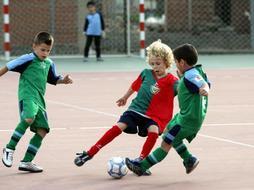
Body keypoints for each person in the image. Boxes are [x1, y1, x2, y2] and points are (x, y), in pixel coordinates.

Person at [74, 40, 178, 176]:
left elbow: (183, 91)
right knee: (119, 126)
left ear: (167, 62)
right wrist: (125, 97)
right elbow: (135, 86)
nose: (155, 67)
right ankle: (90, 152)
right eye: (152, 63)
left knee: (153, 131)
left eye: (158, 63)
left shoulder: (173, 81)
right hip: (136, 109)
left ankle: (141, 161)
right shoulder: (146, 73)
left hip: (155, 116)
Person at [125, 43, 210, 176]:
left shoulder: (191, 75)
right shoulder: (196, 72)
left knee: (166, 143)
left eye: (176, 62)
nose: (175, 64)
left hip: (187, 120)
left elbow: (203, 84)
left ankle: (142, 166)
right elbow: (201, 83)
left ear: (181, 62)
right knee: (167, 133)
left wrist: (205, 89)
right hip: (185, 117)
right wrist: (184, 80)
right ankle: (189, 159)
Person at [0, 31, 73, 173]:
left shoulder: (49, 63)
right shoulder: (27, 59)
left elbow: (53, 79)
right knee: (29, 117)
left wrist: (63, 80)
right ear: (34, 46)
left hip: (40, 100)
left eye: (48, 51)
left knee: (43, 130)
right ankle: (9, 148)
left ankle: (26, 161)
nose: (45, 53)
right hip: (27, 96)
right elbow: (7, 67)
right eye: (42, 50)